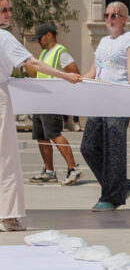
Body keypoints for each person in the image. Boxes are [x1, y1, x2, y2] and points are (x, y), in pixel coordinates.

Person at [0, 0, 83, 229]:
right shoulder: (5, 38)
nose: (7, 14)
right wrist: (66, 76)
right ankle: (7, 216)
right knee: (6, 158)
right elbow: (32, 63)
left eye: (9, 9)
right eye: (3, 10)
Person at [82, 0, 130, 211]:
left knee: (113, 149)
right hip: (99, 99)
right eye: (106, 15)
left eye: (114, 15)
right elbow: (93, 72)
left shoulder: (129, 38)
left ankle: (111, 196)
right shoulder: (103, 41)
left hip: (118, 99)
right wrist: (72, 80)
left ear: (124, 18)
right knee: (88, 147)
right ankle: (120, 186)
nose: (109, 19)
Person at [27, 23, 83, 186]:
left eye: (40, 38)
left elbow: (75, 73)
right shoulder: (45, 53)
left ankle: (73, 168)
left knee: (54, 133)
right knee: (41, 136)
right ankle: (49, 171)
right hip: (40, 99)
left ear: (49, 35)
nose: (38, 42)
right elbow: (38, 73)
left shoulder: (61, 52)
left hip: (52, 99)